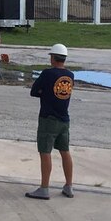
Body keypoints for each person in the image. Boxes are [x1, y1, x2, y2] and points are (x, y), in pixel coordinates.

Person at [26, 44, 75, 200]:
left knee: (45, 152)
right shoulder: (70, 75)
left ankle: (44, 188)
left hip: (48, 119)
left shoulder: (47, 74)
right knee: (65, 152)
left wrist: (46, 94)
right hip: (64, 119)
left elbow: (34, 91)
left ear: (53, 58)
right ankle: (68, 186)